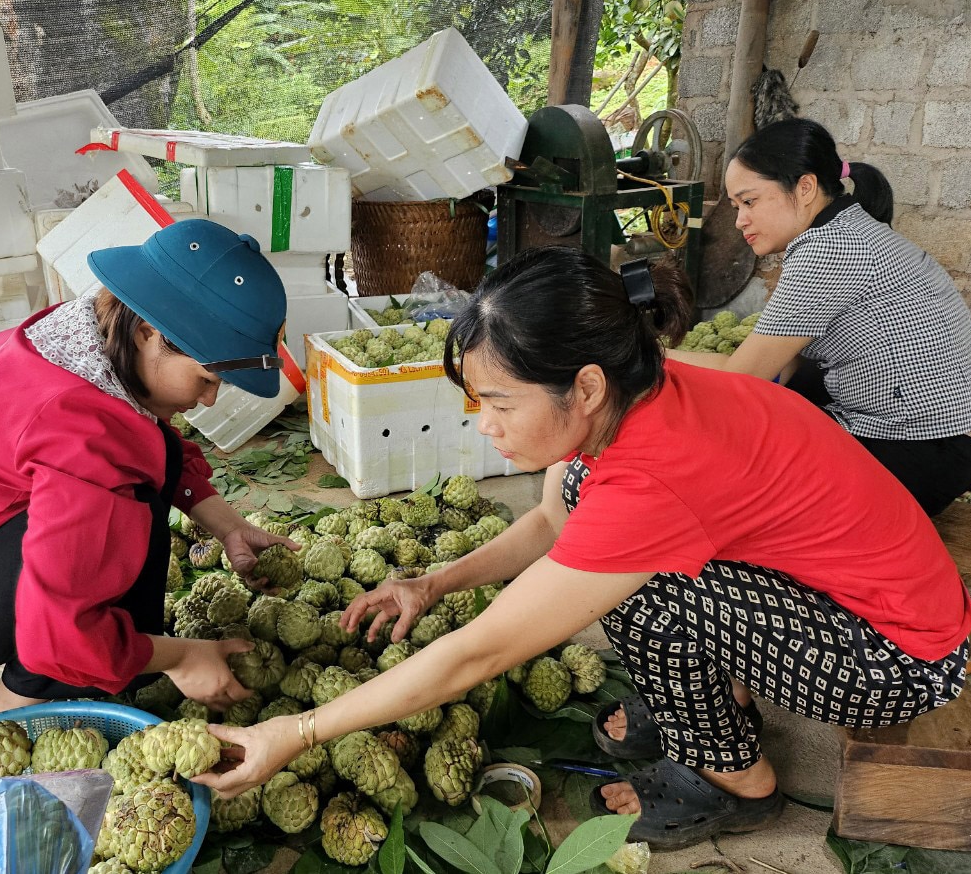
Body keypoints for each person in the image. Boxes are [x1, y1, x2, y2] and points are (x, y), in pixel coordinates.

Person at [195, 246, 971, 850]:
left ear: (586, 385)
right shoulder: (643, 390)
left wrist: (292, 734)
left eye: (497, 402)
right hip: (841, 596)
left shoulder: (654, 477)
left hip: (892, 659)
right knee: (595, 529)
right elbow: (549, 526)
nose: (483, 425)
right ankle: (718, 702)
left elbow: (477, 655)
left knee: (647, 593)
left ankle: (738, 784)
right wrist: (431, 583)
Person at [0, 220, 298, 714]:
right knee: (103, 548)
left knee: (148, 465)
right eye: (207, 379)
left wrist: (229, 528)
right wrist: (184, 658)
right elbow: (62, 630)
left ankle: (74, 665)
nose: (210, 401)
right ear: (151, 330)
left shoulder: (81, 340)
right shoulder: (84, 430)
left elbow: (160, 452)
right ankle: (20, 712)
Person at [667, 117, 971, 515]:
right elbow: (783, 363)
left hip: (922, 453)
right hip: (948, 440)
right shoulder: (850, 226)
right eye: (737, 205)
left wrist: (637, 355)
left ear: (805, 187)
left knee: (739, 485)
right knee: (785, 390)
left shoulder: (827, 250)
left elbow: (739, 378)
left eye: (750, 201)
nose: (740, 219)